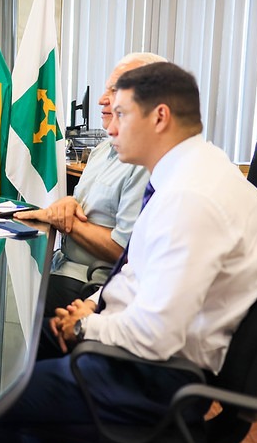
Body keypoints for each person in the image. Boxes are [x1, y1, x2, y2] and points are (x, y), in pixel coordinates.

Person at [0, 62, 257, 443]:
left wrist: (85, 327)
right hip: (138, 353)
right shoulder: (192, 171)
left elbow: (156, 334)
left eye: (122, 114)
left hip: (148, 379)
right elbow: (137, 270)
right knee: (16, 352)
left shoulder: (192, 199)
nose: (111, 127)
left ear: (160, 116)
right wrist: (95, 305)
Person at [16, 53, 164, 316]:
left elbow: (123, 250)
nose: (101, 99)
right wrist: (67, 204)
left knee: (17, 312)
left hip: (92, 283)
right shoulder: (102, 150)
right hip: (62, 265)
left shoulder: (144, 161)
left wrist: (62, 220)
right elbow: (83, 208)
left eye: (115, 90)